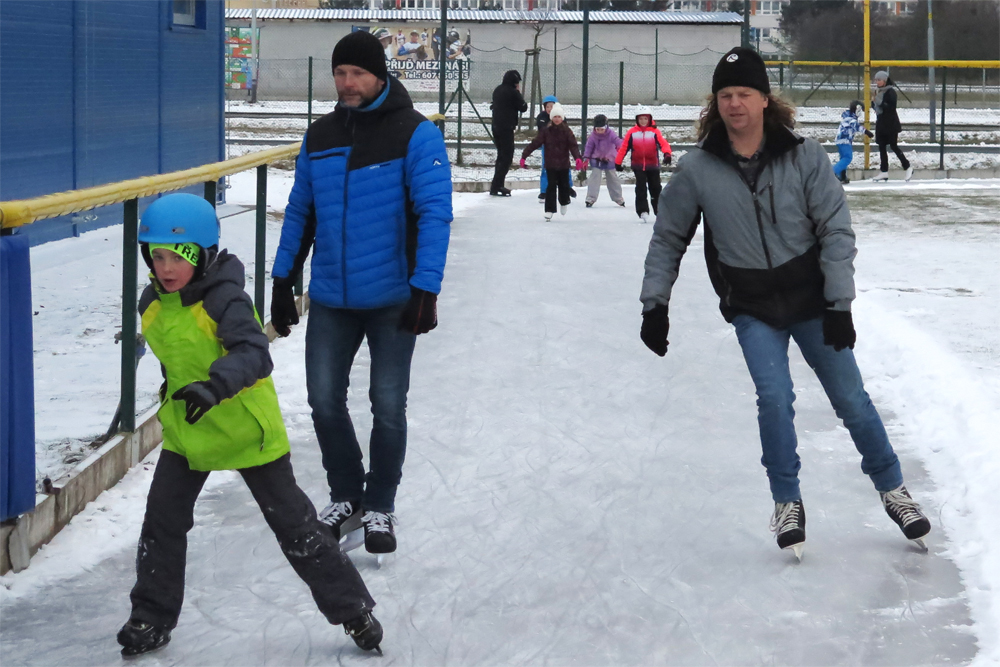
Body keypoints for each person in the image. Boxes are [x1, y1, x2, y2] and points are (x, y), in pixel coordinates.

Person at [639, 47, 931, 559]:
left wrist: (839, 303)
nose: (734, 104)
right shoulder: (699, 168)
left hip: (814, 302)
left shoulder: (804, 155)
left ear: (764, 98)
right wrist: (654, 305)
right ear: (716, 102)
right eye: (725, 95)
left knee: (852, 401)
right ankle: (786, 500)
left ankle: (893, 489)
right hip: (752, 305)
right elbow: (668, 238)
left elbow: (836, 231)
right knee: (774, 399)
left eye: (744, 94)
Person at [117, 194, 382, 658]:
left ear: (202, 254)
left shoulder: (226, 301)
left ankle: (353, 609)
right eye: (155, 256)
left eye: (176, 256)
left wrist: (213, 386)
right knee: (161, 523)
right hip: (189, 431)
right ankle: (150, 617)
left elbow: (254, 355)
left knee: (296, 528)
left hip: (247, 431)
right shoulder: (153, 305)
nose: (164, 267)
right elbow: (175, 361)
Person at [269, 31, 452, 556]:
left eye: (358, 74)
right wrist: (284, 279)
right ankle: (347, 496)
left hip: (395, 296)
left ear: (379, 76)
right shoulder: (320, 135)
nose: (347, 84)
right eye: (340, 73)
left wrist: (426, 288)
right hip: (331, 296)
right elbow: (301, 209)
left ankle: (381, 505)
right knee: (324, 402)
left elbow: (434, 213)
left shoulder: (414, 134)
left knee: (387, 405)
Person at [519, 102, 584, 221]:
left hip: (563, 164)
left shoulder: (567, 131)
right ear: (551, 118)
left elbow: (573, 146)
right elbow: (535, 143)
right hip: (550, 164)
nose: (557, 119)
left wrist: (578, 158)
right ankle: (549, 210)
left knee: (564, 186)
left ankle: (564, 202)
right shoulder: (546, 131)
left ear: (562, 118)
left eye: (559, 116)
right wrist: (524, 156)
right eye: (555, 116)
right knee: (551, 187)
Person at [615, 112, 672, 223]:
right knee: (640, 188)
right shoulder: (632, 132)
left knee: (655, 188)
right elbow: (624, 148)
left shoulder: (654, 132)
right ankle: (642, 211)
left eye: (645, 118)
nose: (643, 121)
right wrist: (618, 162)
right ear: (637, 119)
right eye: (640, 119)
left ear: (650, 119)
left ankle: (659, 211)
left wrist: (667, 154)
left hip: (653, 165)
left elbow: (663, 144)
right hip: (638, 165)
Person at [489, 69, 527, 197]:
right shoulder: (513, 92)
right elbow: (523, 107)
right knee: (507, 157)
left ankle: (496, 185)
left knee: (501, 156)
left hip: (496, 126)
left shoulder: (498, 90)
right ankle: (497, 185)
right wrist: (518, 94)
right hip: (506, 128)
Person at [871, 70, 912, 182]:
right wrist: (873, 104)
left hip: (890, 124)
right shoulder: (878, 92)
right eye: (876, 80)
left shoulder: (890, 92)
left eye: (879, 80)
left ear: (884, 80)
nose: (877, 82)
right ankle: (884, 171)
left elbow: (891, 108)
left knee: (893, 146)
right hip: (881, 123)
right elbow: (877, 108)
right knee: (882, 147)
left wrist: (879, 102)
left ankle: (907, 167)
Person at [582, 114, 625, 208]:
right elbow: (589, 148)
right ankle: (590, 198)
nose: (600, 132)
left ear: (606, 127)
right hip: (597, 159)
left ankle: (618, 198)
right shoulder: (593, 136)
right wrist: (586, 158)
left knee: (612, 178)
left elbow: (617, 140)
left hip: (609, 158)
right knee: (594, 177)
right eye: (598, 129)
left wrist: (621, 147)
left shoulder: (611, 134)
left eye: (602, 129)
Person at [832, 100, 874, 184]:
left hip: (840, 140)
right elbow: (857, 126)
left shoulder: (847, 118)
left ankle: (842, 176)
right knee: (847, 158)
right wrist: (867, 132)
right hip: (845, 141)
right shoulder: (851, 120)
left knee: (843, 158)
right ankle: (832, 172)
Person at [536, 95, 558, 202]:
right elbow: (542, 131)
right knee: (546, 168)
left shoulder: (560, 116)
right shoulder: (542, 117)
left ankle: (567, 187)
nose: (549, 109)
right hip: (547, 146)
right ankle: (544, 191)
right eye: (547, 106)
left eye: (552, 106)